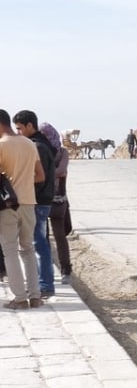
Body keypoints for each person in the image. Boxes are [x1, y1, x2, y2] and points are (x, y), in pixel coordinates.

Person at [1, 109, 46, 309]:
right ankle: (35, 296)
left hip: (8, 205)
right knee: (28, 249)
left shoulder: (1, 145)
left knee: (10, 250)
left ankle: (20, 298)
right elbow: (40, 175)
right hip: (29, 202)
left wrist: (10, 181)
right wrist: (23, 181)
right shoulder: (29, 143)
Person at [13, 110, 57, 299]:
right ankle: (44, 282)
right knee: (40, 243)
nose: (19, 133)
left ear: (30, 126)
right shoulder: (41, 144)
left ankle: (45, 285)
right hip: (42, 200)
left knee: (38, 245)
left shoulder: (37, 146)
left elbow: (38, 177)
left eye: (20, 128)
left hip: (38, 201)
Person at [40, 122, 72, 285]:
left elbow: (62, 171)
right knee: (43, 238)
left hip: (56, 201)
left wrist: (41, 175)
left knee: (59, 236)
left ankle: (66, 270)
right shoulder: (42, 150)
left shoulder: (61, 152)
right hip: (45, 199)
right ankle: (49, 273)